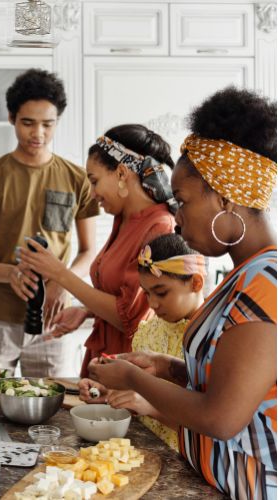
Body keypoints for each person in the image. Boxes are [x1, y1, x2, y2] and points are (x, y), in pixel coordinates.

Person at [88, 87, 276, 499]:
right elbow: (237, 383)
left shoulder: (266, 285)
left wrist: (135, 378)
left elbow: (223, 417)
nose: (176, 218)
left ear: (225, 199)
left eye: (184, 201)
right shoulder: (245, 275)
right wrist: (168, 367)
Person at [0, 69, 99, 377]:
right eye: (28, 123)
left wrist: (62, 282)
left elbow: (90, 251)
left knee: (49, 409)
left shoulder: (77, 178)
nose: (38, 133)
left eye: (47, 124)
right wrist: (12, 274)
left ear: (57, 122)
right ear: (11, 118)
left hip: (52, 319)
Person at [19, 124, 177, 377]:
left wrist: (60, 274)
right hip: (104, 361)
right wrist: (85, 310)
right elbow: (121, 295)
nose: (92, 194)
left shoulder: (160, 227)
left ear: (122, 173)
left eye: (94, 181)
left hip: (130, 369)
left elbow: (133, 319)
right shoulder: (123, 219)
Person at [79, 233, 205, 450]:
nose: (153, 303)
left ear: (195, 283)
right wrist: (111, 395)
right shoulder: (148, 333)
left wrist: (151, 408)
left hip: (188, 462)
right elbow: (140, 399)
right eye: (146, 293)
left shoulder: (211, 341)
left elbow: (210, 426)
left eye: (161, 292)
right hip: (145, 452)